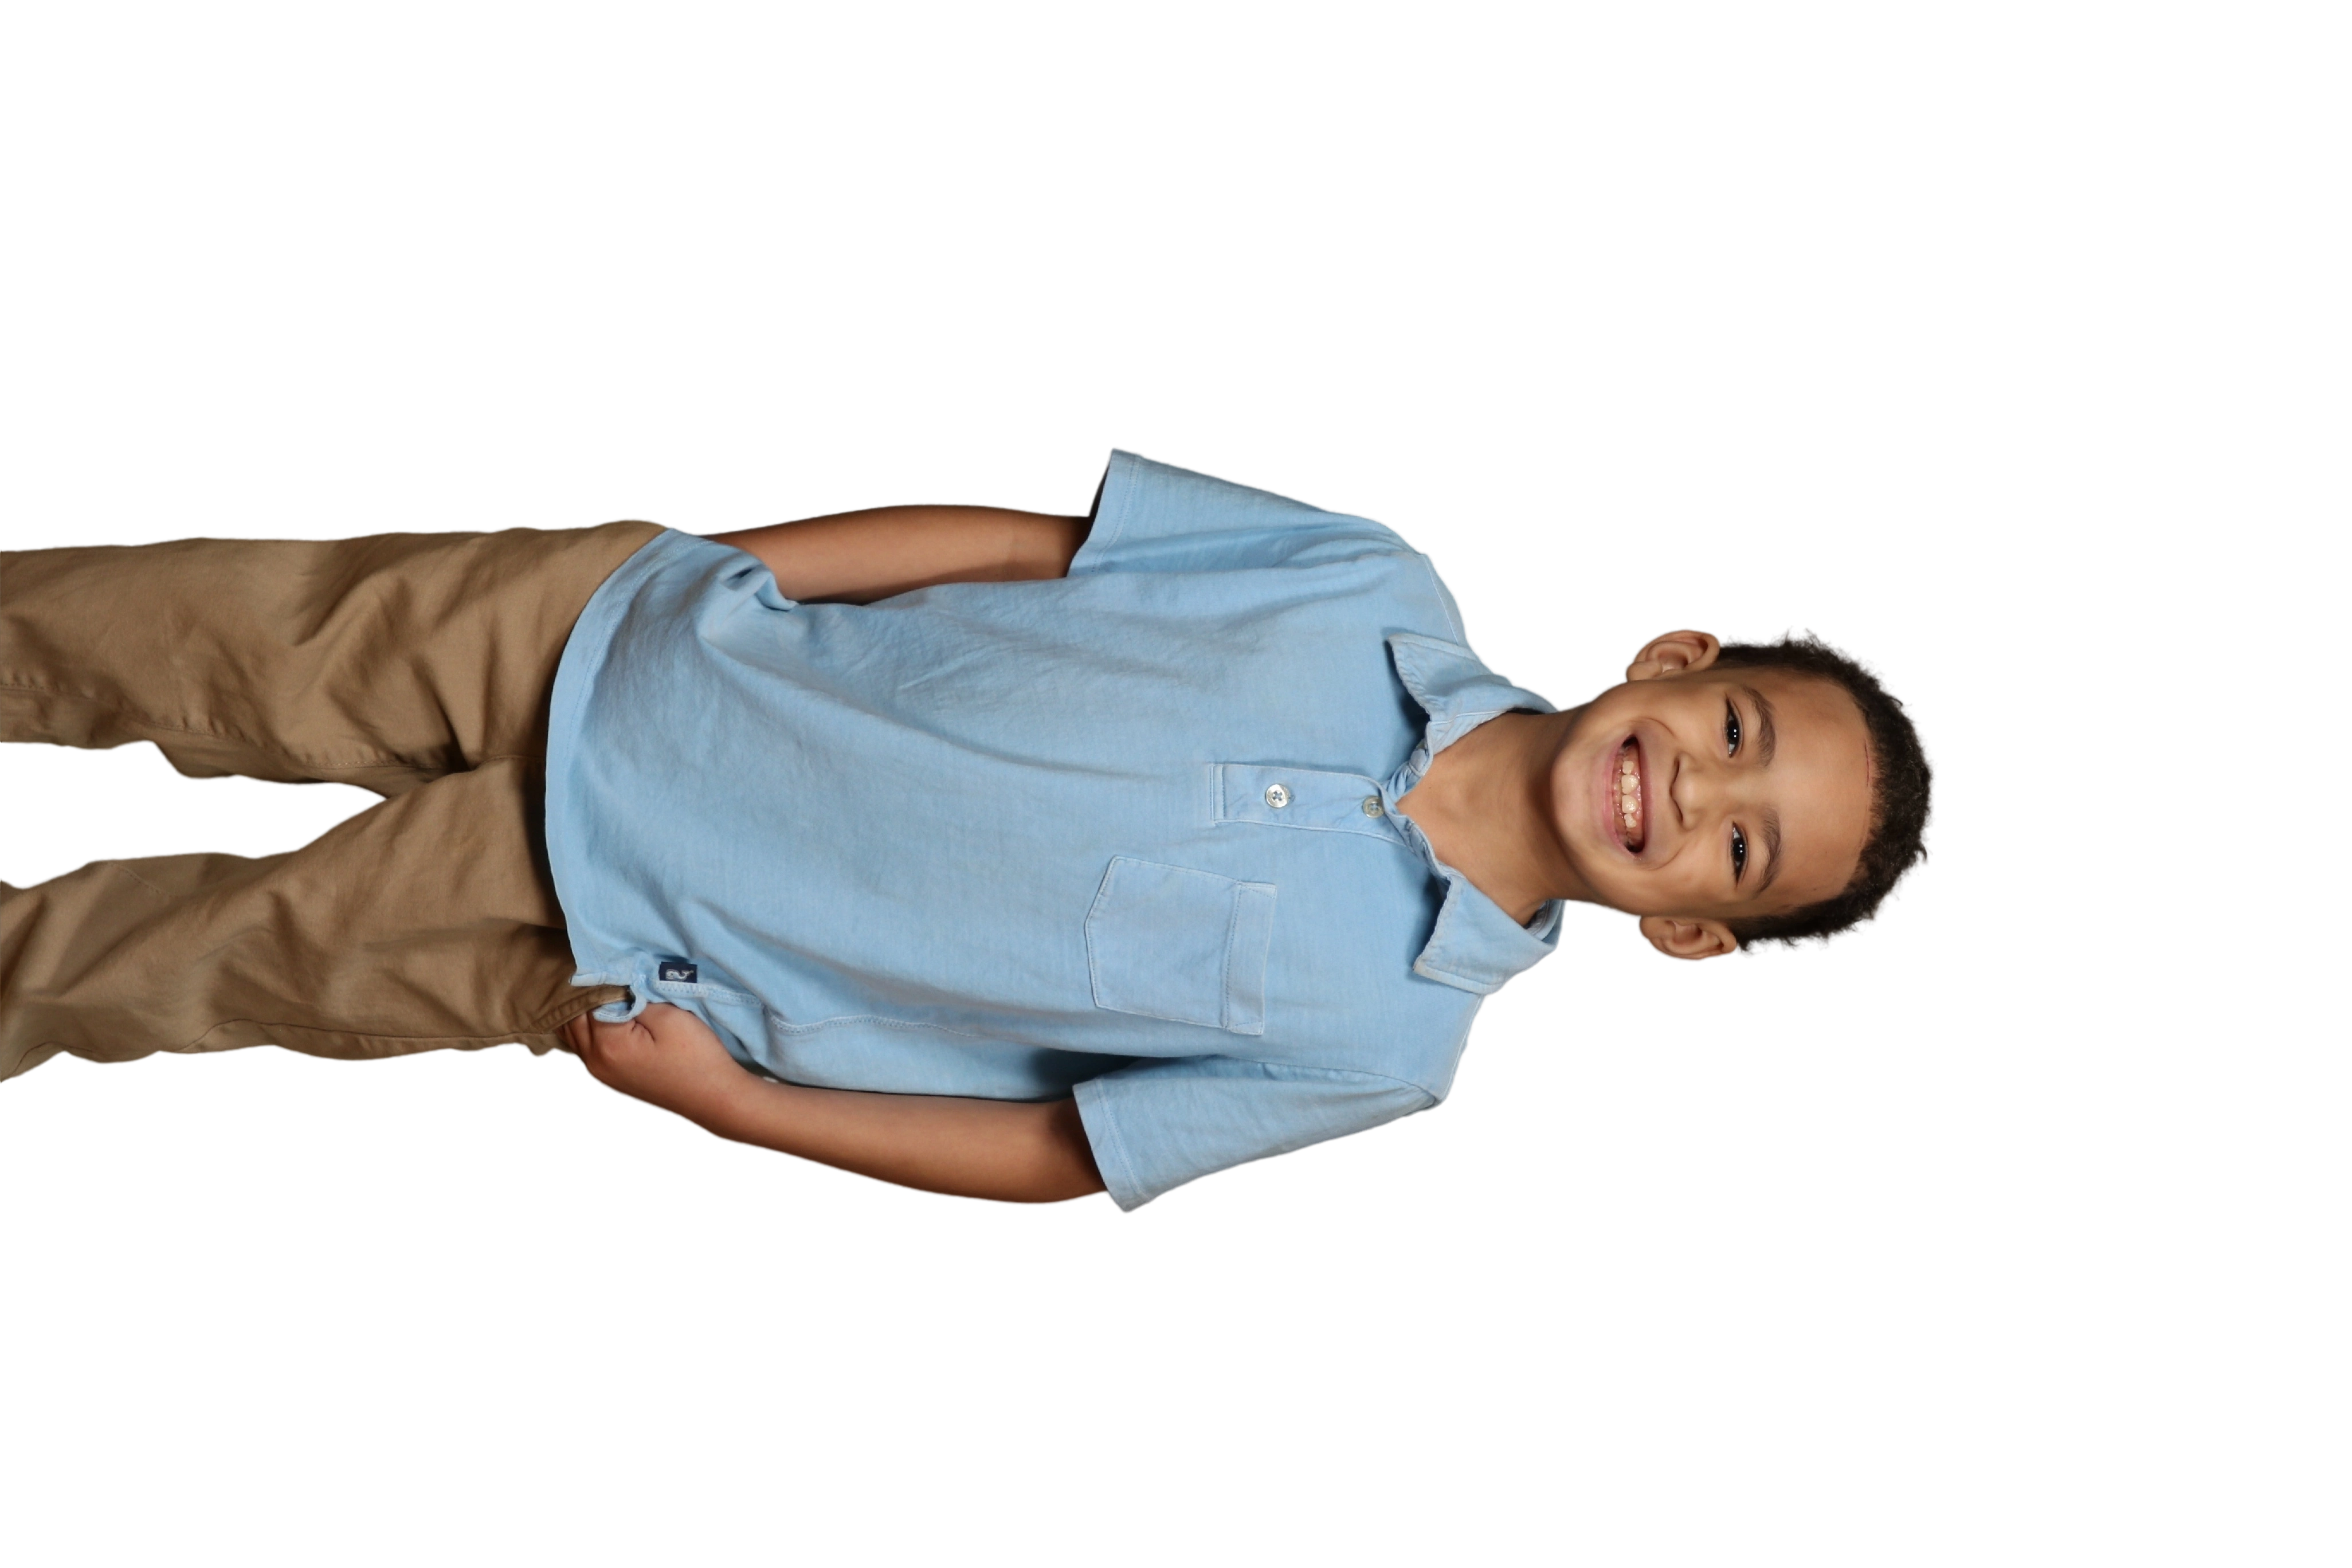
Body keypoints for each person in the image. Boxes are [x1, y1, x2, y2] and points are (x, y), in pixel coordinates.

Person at [0, 446, 1938, 1213]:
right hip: (602, 640)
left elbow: (1056, 1153)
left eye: (1741, 849)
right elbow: (1027, 550)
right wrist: (734, 570)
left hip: (613, 929)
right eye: (1739, 734)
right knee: (149, 630)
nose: (1697, 793)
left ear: (1693, 935)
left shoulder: (1388, 1042)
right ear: (1680, 656)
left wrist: (732, 1106)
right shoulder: (1366, 574)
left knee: (142, 970)